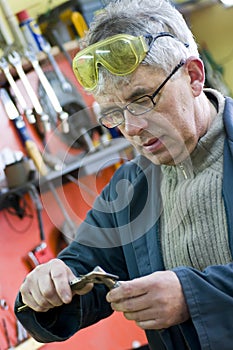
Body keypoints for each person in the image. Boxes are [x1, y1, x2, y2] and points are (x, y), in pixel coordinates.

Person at [15, 0, 233, 349]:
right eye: (114, 113)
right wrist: (47, 285)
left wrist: (193, 296)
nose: (131, 128)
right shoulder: (131, 188)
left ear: (193, 75)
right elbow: (82, 269)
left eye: (144, 99)